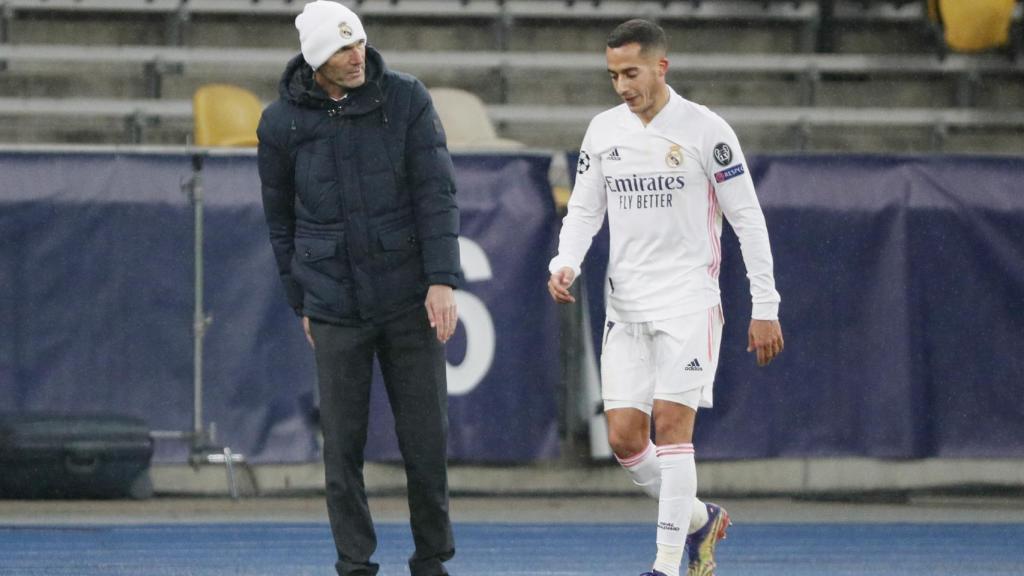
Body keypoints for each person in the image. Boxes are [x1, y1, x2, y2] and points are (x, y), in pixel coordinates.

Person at [547, 19, 784, 576]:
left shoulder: (706, 130)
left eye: (631, 73)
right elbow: (584, 210)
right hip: (626, 307)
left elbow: (748, 219)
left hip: (688, 303)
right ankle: (700, 519)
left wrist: (765, 305)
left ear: (661, 67)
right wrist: (565, 261)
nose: (622, 86)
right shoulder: (603, 131)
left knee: (672, 429)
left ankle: (666, 566)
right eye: (613, 76)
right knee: (625, 440)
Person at [256, 2, 462, 575]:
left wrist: (442, 279)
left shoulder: (407, 98)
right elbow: (280, 222)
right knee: (341, 448)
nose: (357, 56)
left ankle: (431, 560)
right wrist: (302, 300)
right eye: (341, 48)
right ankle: (354, 565)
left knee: (426, 441)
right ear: (314, 58)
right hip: (333, 302)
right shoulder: (279, 123)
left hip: (408, 297)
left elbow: (436, 194)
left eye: (359, 43)